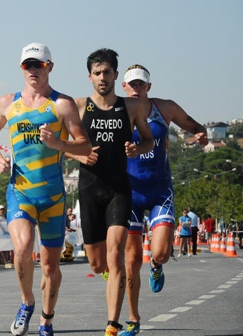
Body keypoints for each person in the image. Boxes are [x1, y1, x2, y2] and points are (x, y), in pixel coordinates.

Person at [0, 42, 92, 336]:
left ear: (50, 67)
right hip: (20, 190)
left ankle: (47, 318)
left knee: (50, 266)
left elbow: (84, 144)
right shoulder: (8, 102)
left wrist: (59, 144)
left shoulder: (62, 104)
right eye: (27, 65)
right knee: (21, 249)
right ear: (21, 68)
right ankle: (27, 302)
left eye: (38, 65)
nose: (33, 70)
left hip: (54, 196)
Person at [68, 48, 154, 336]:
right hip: (90, 189)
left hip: (119, 189)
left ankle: (112, 325)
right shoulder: (79, 107)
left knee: (116, 255)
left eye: (107, 72)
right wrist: (80, 157)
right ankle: (110, 277)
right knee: (97, 261)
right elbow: (65, 146)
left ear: (116, 75)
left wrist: (136, 148)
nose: (102, 77)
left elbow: (149, 141)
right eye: (97, 73)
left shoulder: (131, 107)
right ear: (89, 77)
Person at [120, 64, 208, 335]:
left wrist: (201, 134)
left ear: (149, 86)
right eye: (131, 84)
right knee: (132, 261)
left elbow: (194, 125)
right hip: (130, 192)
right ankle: (133, 320)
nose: (136, 89)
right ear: (123, 87)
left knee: (158, 253)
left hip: (159, 190)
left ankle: (157, 266)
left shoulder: (164, 108)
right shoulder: (116, 112)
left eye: (141, 84)